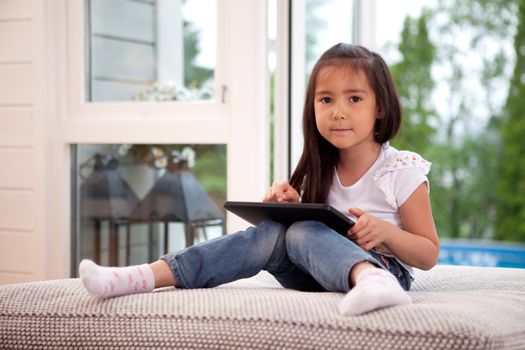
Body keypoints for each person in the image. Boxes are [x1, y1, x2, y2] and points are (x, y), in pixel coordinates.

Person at [79, 43, 439, 316]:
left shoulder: (400, 169)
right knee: (276, 232)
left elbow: (428, 253)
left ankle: (371, 281)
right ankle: (139, 278)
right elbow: (308, 236)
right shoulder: (319, 168)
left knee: (300, 232)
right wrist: (288, 208)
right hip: (316, 272)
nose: (338, 112)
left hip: (385, 270)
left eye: (354, 98)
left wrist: (386, 233)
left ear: (380, 108)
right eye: (325, 99)